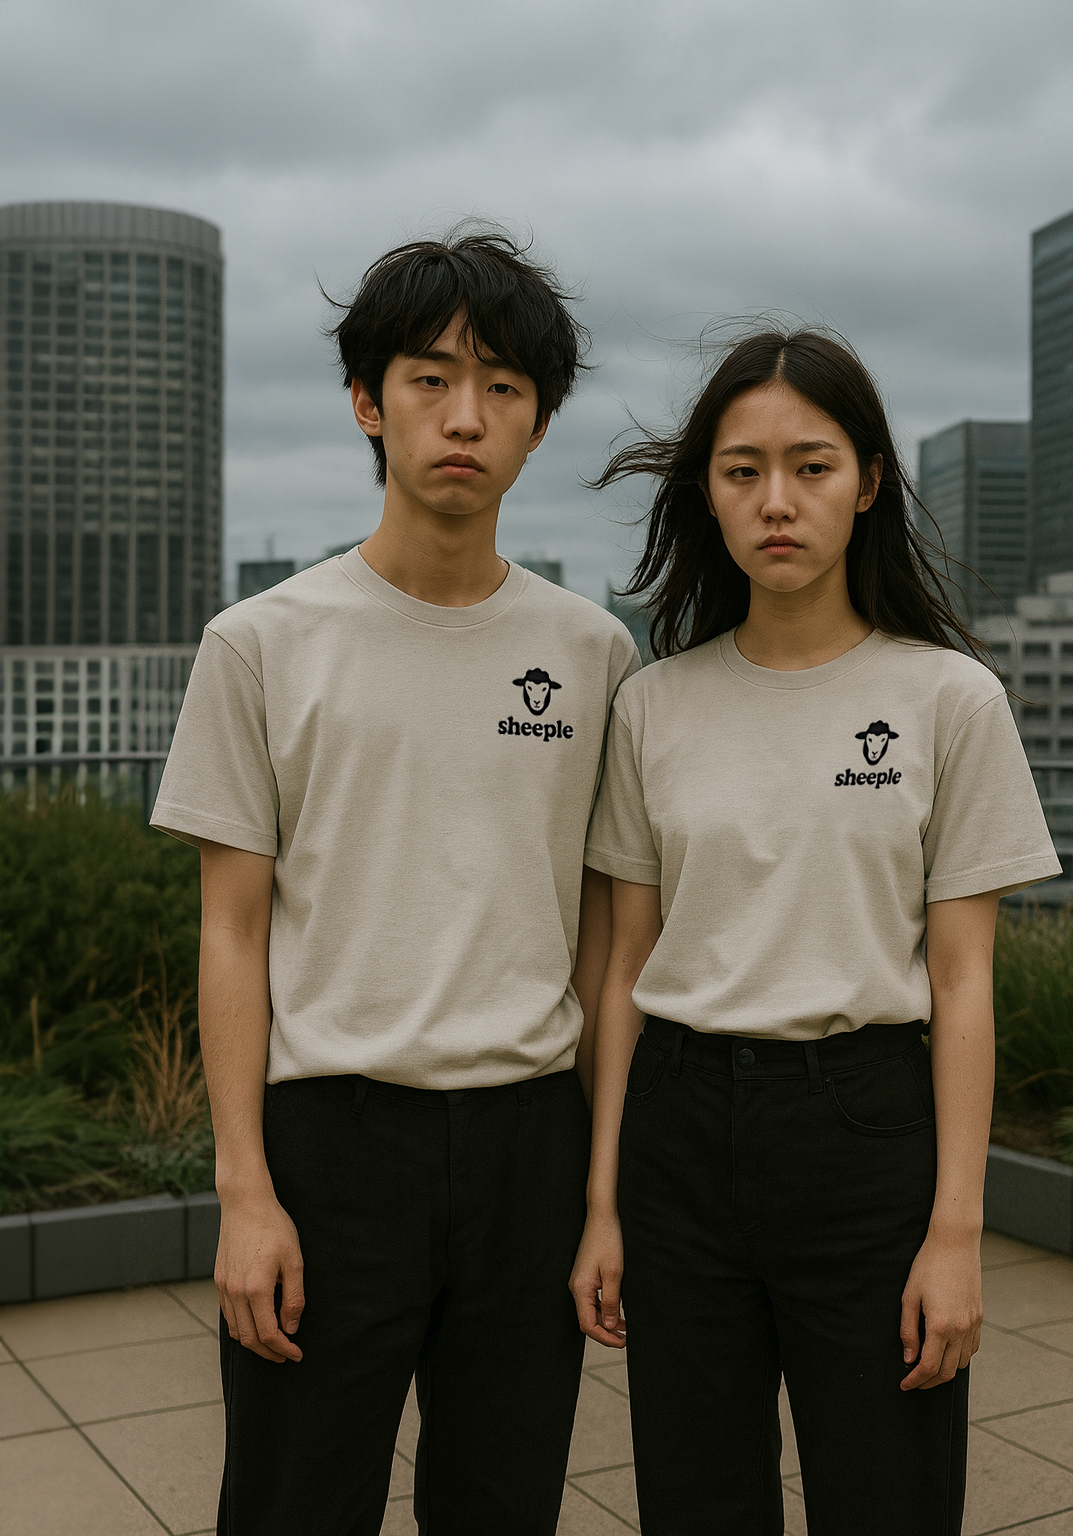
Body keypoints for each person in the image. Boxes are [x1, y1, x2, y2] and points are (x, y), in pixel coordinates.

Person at [151, 230, 640, 1536]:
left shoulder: (591, 654)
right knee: (292, 1502)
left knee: (500, 1507)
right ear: (368, 403)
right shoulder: (258, 646)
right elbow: (232, 932)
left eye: (501, 389)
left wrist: (599, 1194)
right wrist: (244, 1193)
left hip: (528, 1143)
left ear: (538, 424)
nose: (463, 418)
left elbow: (608, 946)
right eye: (428, 379)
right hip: (330, 1144)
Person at [569, 329, 1060, 1536]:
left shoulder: (950, 700)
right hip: (679, 1132)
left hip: (865, 1133)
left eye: (812, 465)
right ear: (706, 494)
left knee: (886, 1495)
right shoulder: (651, 704)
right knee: (697, 1499)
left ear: (871, 481)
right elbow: (622, 967)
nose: (775, 502)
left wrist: (956, 1234)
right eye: (741, 471)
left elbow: (963, 980)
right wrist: (603, 1205)